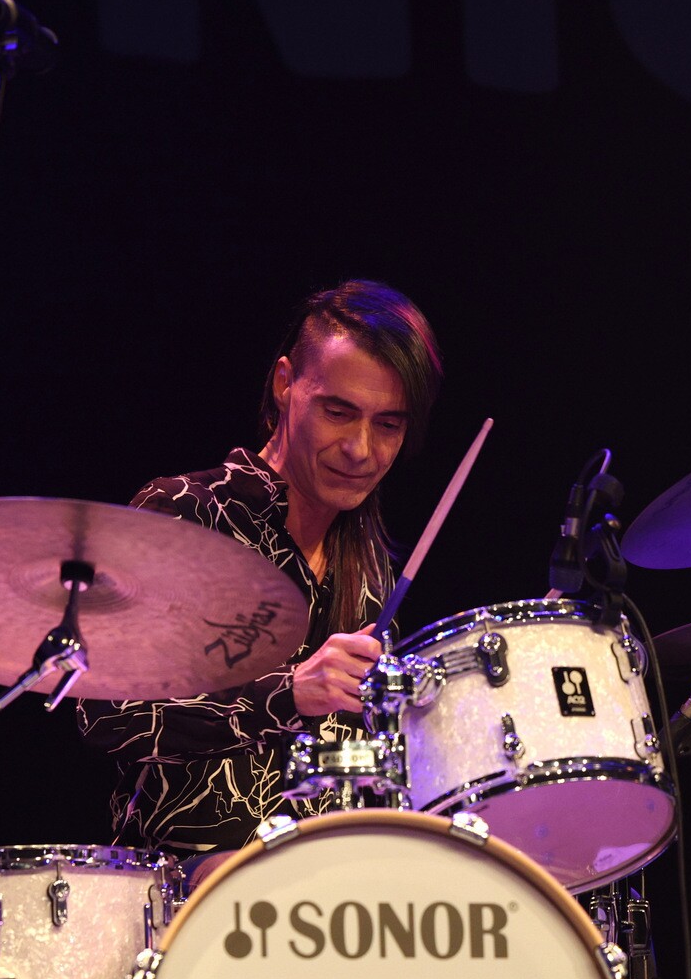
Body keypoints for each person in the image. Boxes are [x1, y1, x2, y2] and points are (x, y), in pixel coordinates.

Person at [75, 279, 443, 888]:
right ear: (284, 383)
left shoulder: (372, 568)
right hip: (182, 884)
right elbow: (105, 711)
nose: (361, 449)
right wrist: (289, 693)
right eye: (338, 412)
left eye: (388, 425)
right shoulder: (188, 514)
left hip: (330, 882)